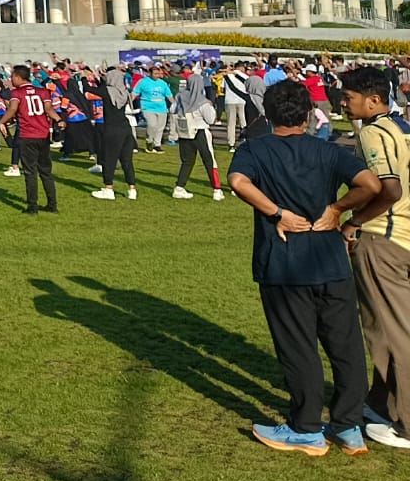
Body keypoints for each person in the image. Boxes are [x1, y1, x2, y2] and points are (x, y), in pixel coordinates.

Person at [228, 78, 378, 455]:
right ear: (309, 115)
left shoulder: (255, 149)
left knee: (299, 348)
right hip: (330, 262)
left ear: (267, 115)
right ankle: (348, 425)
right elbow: (370, 185)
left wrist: (277, 212)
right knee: (345, 347)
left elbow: (238, 181)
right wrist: (338, 209)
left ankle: (307, 428)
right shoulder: (327, 150)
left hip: (285, 265)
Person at [337, 66, 410, 449]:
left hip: (384, 238)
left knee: (395, 332)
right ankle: (380, 404)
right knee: (383, 329)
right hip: (404, 237)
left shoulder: (372, 132)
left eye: (348, 97)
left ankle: (407, 423)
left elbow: (389, 189)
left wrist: (353, 220)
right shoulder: (402, 126)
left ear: (374, 100)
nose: (342, 104)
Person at [0, 65, 59, 216]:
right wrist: (59, 120)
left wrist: (2, 122)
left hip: (27, 135)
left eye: (12, 77)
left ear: (18, 77)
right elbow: (49, 109)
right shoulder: (42, 91)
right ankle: (52, 204)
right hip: (43, 135)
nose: (11, 80)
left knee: (30, 172)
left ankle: (32, 207)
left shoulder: (17, 93)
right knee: (46, 171)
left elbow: (13, 109)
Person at [170, 67, 223, 201]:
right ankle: (217, 190)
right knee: (209, 160)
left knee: (187, 161)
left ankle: (179, 187)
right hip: (200, 132)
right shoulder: (202, 101)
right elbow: (210, 119)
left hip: (185, 131)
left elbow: (172, 110)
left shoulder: (180, 97)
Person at [92, 65, 139, 202]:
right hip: (125, 128)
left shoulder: (107, 91)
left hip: (112, 129)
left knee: (109, 160)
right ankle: (132, 189)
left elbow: (89, 89)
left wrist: (85, 78)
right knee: (127, 161)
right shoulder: (124, 92)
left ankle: (109, 188)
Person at [132, 64, 173, 153]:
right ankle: (149, 141)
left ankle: (157, 145)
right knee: (152, 125)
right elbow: (135, 93)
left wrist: (174, 104)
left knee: (160, 127)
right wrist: (129, 103)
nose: (157, 75)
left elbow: (169, 95)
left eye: (158, 73)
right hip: (148, 107)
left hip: (162, 108)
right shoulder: (143, 82)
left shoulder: (163, 83)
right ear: (150, 74)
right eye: (155, 74)